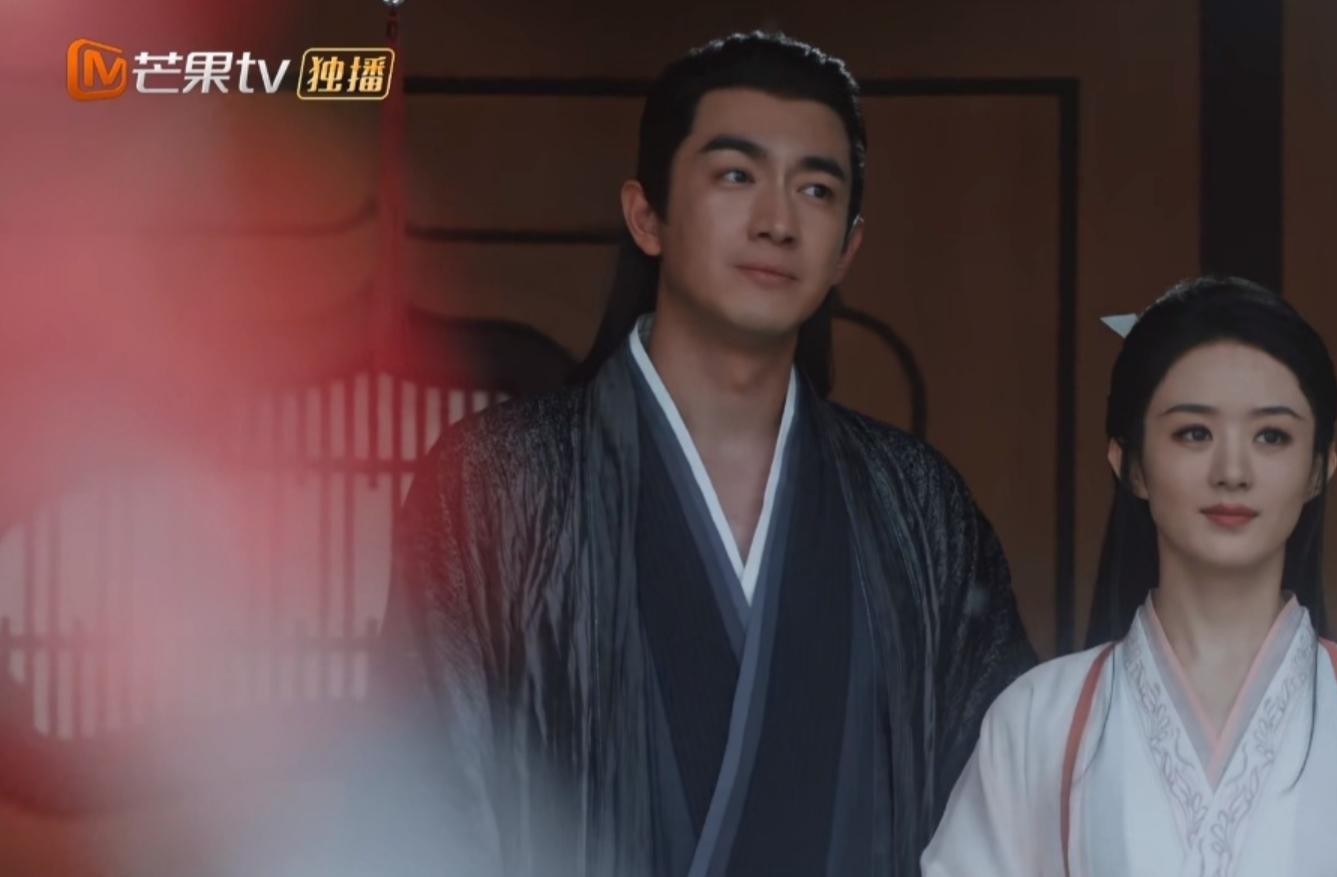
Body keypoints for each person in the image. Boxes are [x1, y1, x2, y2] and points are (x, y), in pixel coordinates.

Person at [378, 31, 1035, 877]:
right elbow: (420, 798)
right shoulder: (495, 480)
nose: (776, 221)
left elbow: (1000, 794)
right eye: (734, 175)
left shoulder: (917, 505)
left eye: (815, 189)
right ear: (645, 215)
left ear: (847, 248)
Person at [920, 277, 1337, 876]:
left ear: (1318, 469)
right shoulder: (1039, 718)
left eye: (1271, 436)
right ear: (1130, 463)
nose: (1232, 470)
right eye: (1194, 433)